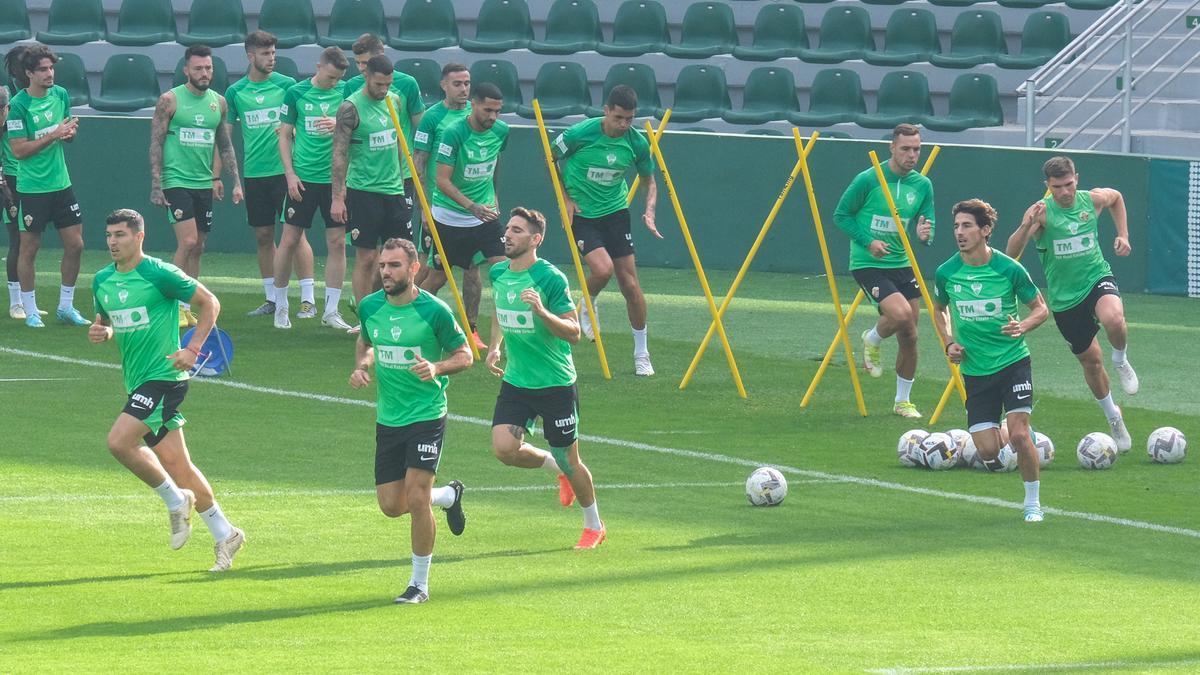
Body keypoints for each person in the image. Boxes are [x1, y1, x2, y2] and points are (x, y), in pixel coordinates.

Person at [89, 208, 245, 570]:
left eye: (120, 235)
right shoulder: (102, 281)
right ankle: (226, 534)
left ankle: (176, 502)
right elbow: (110, 321)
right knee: (179, 464)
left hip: (165, 377)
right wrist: (104, 332)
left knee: (119, 441)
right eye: (109, 235)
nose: (112, 242)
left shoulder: (159, 274)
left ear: (139, 237)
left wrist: (192, 349)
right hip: (137, 380)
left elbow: (210, 303)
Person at [349, 237, 471, 604]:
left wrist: (437, 366)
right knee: (391, 505)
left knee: (416, 497)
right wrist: (363, 365)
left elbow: (465, 355)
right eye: (383, 265)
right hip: (389, 417)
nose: (386, 271)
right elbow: (367, 342)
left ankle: (419, 584)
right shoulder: (370, 307)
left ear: (414, 268)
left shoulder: (434, 311)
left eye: (394, 265)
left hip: (426, 414)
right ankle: (449, 496)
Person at [486, 207, 605, 549]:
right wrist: (495, 346)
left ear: (535, 239)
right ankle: (556, 467)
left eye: (517, 230)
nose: (507, 234)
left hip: (555, 384)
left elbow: (573, 333)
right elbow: (498, 309)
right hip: (517, 381)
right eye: (508, 228)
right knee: (504, 450)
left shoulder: (550, 279)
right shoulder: (499, 273)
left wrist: (541, 311)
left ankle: (593, 525)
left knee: (573, 459)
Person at [1005, 156, 1136, 451]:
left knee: (1114, 318)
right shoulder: (1041, 213)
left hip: (1096, 277)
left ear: (1077, 177)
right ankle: (1113, 415)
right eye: (1056, 187)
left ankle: (1121, 358)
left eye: (1068, 184)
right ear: (1047, 186)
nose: (1064, 192)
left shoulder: (1092, 200)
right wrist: (1025, 224)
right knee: (1091, 362)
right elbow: (1011, 253)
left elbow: (1117, 198)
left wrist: (1123, 235)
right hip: (1065, 299)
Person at [933, 199, 1049, 521]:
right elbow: (938, 309)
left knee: (1019, 435)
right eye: (956, 226)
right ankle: (1014, 430)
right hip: (975, 370)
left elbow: (1041, 309)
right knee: (987, 450)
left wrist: (1023, 326)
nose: (960, 232)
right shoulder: (946, 272)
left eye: (967, 225)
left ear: (985, 231)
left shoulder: (1009, 268)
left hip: (1013, 362)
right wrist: (949, 342)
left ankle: (1032, 504)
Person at [550, 85, 660, 376]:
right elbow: (550, 159)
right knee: (602, 270)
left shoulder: (636, 142)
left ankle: (642, 353)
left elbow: (650, 181)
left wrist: (649, 210)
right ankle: (588, 301)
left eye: (630, 119)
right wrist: (566, 198)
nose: (624, 124)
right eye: (619, 117)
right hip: (583, 214)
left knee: (631, 285)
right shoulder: (579, 134)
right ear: (607, 111)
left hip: (616, 212)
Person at [833, 123, 935, 418]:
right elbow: (841, 215)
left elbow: (927, 225)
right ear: (892, 147)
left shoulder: (922, 185)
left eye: (916, 149)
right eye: (905, 149)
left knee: (911, 333)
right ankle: (873, 338)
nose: (912, 155)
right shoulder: (869, 178)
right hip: (868, 263)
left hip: (902, 263)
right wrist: (868, 241)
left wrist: (926, 234)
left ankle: (902, 401)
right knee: (901, 315)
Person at [224, 30, 315, 319]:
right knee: (264, 235)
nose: (272, 58)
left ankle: (308, 300)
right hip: (255, 174)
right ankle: (273, 298)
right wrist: (233, 179)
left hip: (286, 173)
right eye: (265, 54)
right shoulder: (236, 92)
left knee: (295, 234)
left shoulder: (288, 86)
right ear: (251, 56)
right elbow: (225, 139)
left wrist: (295, 132)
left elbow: (304, 125)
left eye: (274, 53)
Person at [149, 43, 242, 328]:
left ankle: (187, 306)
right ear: (186, 69)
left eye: (208, 68)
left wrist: (233, 181)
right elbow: (156, 141)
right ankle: (173, 305)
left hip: (203, 183)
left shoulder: (219, 102)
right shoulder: (170, 100)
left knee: (199, 246)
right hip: (177, 180)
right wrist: (156, 183)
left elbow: (225, 145)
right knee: (187, 241)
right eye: (199, 68)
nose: (204, 73)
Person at [5, 43, 90, 328]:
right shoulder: (18, 106)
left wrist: (68, 135)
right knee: (29, 249)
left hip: (61, 184)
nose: (49, 74)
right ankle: (29, 309)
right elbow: (19, 151)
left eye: (51, 68)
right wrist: (54, 135)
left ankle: (66, 306)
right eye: (42, 69)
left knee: (76, 244)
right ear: (29, 73)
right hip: (32, 188)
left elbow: (67, 133)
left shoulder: (61, 95)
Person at [419, 82, 508, 350]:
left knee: (502, 270)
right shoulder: (453, 133)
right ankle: (413, 318)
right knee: (437, 277)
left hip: (484, 215)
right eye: (487, 110)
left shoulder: (502, 131)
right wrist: (471, 206)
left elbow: (493, 164)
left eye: (497, 111)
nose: (492, 116)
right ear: (473, 104)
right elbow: (442, 180)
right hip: (450, 217)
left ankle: (475, 331)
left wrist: (493, 197)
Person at [331, 54, 413, 333]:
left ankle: (391, 311)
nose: (384, 89)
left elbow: (399, 142)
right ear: (366, 76)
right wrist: (337, 197)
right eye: (379, 84)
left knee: (399, 257)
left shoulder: (396, 101)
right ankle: (366, 321)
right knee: (367, 258)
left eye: (388, 84)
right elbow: (339, 155)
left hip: (394, 190)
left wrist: (405, 180)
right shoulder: (350, 108)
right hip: (363, 191)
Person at [273, 46, 351, 330]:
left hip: (336, 181)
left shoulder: (347, 93)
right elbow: (283, 136)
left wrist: (339, 124)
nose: (334, 82)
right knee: (290, 240)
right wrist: (290, 175)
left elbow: (356, 128)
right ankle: (281, 306)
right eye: (330, 77)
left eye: (338, 78)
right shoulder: (296, 93)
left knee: (337, 242)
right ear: (319, 67)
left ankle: (331, 310)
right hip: (303, 179)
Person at [412, 63, 478, 322]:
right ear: (444, 85)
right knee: (430, 268)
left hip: (472, 209)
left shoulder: (476, 114)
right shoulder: (432, 117)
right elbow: (419, 164)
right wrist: (424, 208)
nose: (464, 89)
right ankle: (398, 308)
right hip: (440, 207)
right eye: (457, 84)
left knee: (472, 268)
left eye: (467, 83)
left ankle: (471, 328)